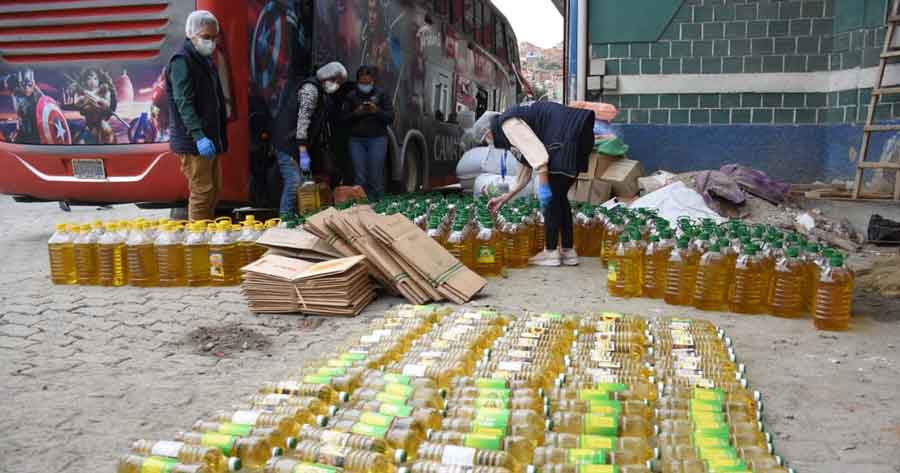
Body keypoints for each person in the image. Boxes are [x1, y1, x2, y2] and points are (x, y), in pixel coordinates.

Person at [471, 102, 595, 267]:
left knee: (552, 198)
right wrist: (505, 197)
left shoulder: (507, 123)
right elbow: (525, 172)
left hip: (565, 135)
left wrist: (544, 187)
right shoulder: (516, 123)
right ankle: (568, 250)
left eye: (486, 139)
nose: (489, 142)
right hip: (580, 133)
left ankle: (550, 252)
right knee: (559, 196)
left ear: (488, 132)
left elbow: (537, 155)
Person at [166, 10, 228, 221]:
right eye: (206, 37)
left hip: (209, 137)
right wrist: (198, 135)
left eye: (213, 37)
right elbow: (184, 102)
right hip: (194, 141)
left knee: (214, 190)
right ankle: (198, 241)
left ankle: (206, 234)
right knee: (202, 192)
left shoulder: (204, 59)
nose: (210, 42)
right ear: (191, 35)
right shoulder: (181, 61)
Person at [273, 61, 347, 218]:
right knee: (293, 182)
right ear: (327, 76)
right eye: (336, 81)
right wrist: (302, 148)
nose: (337, 85)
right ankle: (285, 219)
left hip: (296, 142)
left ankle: (293, 216)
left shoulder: (321, 93)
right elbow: (303, 119)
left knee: (300, 182)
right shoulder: (311, 90)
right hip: (289, 142)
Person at [341, 65, 394, 201]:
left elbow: (390, 117)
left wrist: (376, 111)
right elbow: (343, 119)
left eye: (368, 83)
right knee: (359, 176)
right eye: (362, 83)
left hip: (377, 139)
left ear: (373, 81)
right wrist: (356, 113)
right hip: (356, 140)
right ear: (358, 81)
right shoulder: (351, 96)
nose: (365, 86)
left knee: (376, 174)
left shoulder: (382, 94)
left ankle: (378, 204)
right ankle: (361, 206)